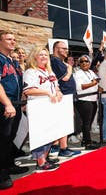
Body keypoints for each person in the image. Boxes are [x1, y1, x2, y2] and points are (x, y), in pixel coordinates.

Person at [23, 46, 62, 172]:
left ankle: (44, 158)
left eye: (45, 54)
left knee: (50, 134)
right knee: (40, 135)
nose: (44, 57)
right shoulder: (31, 72)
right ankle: (40, 162)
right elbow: (28, 90)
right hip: (37, 107)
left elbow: (56, 86)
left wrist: (58, 92)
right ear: (35, 56)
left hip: (50, 106)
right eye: (41, 54)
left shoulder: (49, 71)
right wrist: (47, 93)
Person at [0, 30, 28, 190]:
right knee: (2, 140)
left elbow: (18, 82)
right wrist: (7, 103)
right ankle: (1, 173)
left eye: (14, 39)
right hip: (5, 105)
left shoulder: (12, 61)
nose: (13, 41)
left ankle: (9, 165)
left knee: (10, 138)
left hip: (16, 104)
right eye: (9, 39)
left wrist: (21, 101)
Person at [50, 41, 81, 157]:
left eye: (67, 48)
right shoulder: (55, 60)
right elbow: (65, 78)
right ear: (56, 49)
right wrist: (69, 68)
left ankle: (60, 146)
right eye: (64, 48)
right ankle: (62, 148)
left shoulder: (59, 61)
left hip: (67, 96)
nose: (66, 51)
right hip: (63, 96)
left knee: (65, 122)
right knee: (64, 122)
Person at [73, 55, 100, 150]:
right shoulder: (77, 73)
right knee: (86, 123)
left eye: (86, 61)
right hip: (84, 100)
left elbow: (97, 81)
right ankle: (87, 143)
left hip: (93, 99)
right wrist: (92, 84)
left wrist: (98, 87)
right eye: (82, 61)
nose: (84, 63)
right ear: (79, 64)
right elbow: (79, 87)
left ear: (89, 63)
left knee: (89, 122)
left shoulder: (91, 72)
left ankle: (86, 139)